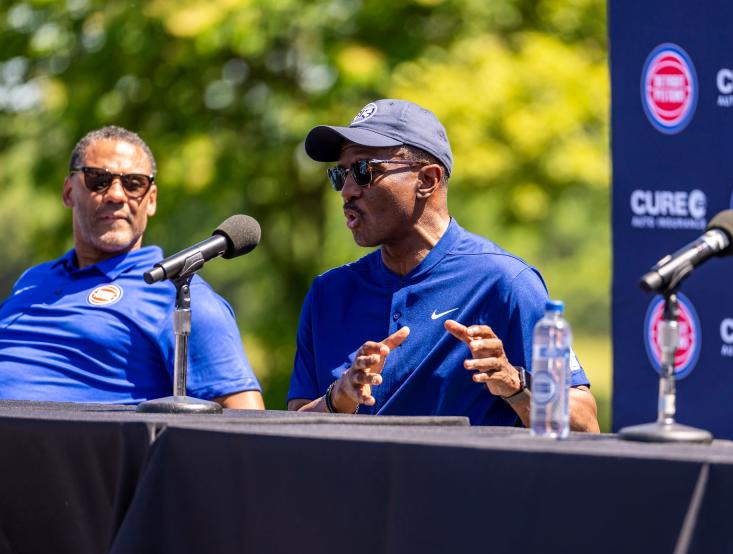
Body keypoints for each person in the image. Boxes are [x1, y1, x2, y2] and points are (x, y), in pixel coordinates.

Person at [287, 99, 599, 431]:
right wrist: (338, 399)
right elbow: (291, 426)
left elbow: (585, 425)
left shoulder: (505, 282)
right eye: (340, 174)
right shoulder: (328, 293)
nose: (347, 191)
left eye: (364, 171)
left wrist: (516, 384)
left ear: (427, 179)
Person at [0, 126, 263, 408]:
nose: (116, 194)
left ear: (150, 200)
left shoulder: (179, 296)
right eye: (98, 179)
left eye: (134, 183)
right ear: (68, 192)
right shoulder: (34, 279)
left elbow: (248, 422)